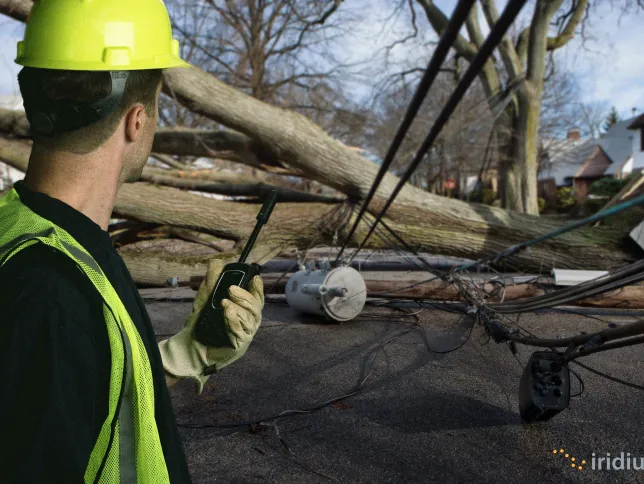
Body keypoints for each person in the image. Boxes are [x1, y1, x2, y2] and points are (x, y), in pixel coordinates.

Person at [0, 0, 265, 482]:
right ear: (136, 120)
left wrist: (189, 354)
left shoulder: (36, 235)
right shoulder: (52, 294)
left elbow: (81, 392)